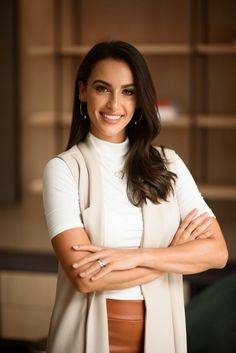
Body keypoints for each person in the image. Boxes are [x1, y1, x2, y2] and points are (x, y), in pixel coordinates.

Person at [42, 41, 228, 353]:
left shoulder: (169, 164)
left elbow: (217, 253)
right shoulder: (63, 170)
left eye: (128, 91)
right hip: (87, 334)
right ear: (83, 91)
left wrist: (138, 256)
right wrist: (173, 256)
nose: (115, 104)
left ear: (140, 98)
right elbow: (85, 277)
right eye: (103, 88)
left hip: (161, 333)